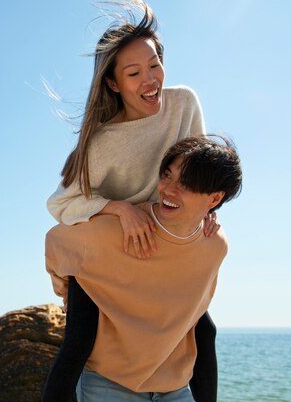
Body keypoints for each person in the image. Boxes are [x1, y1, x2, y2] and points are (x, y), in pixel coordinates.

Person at [43, 0, 218, 402]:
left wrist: (210, 209)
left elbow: (200, 163)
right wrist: (119, 208)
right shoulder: (103, 143)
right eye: (134, 72)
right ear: (113, 83)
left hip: (165, 236)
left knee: (203, 329)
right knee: (80, 338)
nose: (149, 79)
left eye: (154, 64)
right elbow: (61, 205)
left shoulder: (184, 104)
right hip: (111, 248)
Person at [46, 136, 243, 402]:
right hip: (109, 383)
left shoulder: (214, 245)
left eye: (186, 184)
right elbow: (57, 241)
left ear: (214, 199)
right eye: (167, 175)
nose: (168, 190)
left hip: (175, 387)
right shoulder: (119, 231)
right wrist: (79, 292)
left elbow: (195, 315)